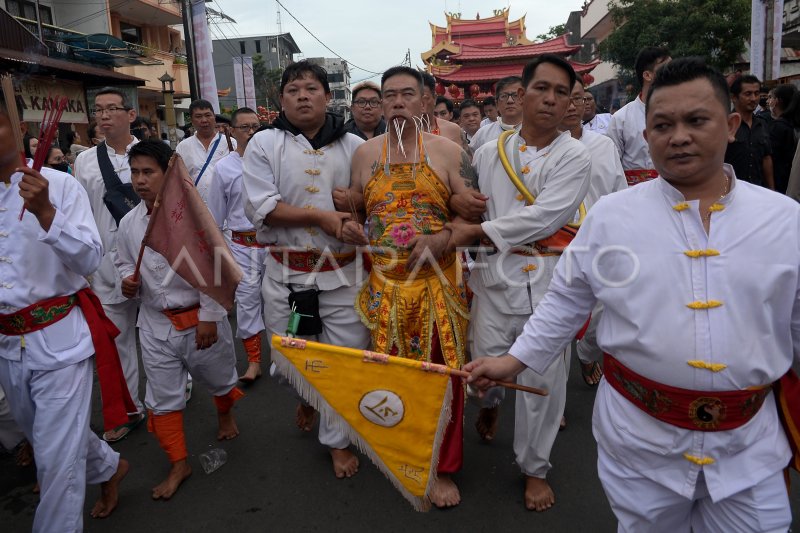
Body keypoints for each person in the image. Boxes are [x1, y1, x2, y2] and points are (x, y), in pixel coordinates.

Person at [466, 57, 798, 532]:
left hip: (750, 447)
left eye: (696, 120)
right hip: (639, 440)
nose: (678, 136)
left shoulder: (786, 221)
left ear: (729, 127)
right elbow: (566, 302)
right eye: (663, 124)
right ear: (647, 137)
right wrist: (512, 362)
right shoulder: (612, 217)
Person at [448, 54, 590, 512]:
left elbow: (547, 215)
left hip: (548, 285)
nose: (550, 99)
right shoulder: (490, 152)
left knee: (544, 386)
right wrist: (464, 208)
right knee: (483, 370)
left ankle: (534, 469)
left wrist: (478, 231)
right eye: (541, 88)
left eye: (561, 92)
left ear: (571, 101)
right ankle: (489, 405)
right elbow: (469, 203)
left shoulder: (575, 155)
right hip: (492, 281)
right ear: (520, 93)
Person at [343, 65, 474, 508]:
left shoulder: (449, 152)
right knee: (392, 377)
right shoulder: (364, 155)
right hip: (385, 290)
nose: (397, 102)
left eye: (406, 94)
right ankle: (401, 453)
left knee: (441, 379)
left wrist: (441, 238)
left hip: (439, 287)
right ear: (380, 105)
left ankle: (440, 465)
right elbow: (356, 211)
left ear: (423, 102)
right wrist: (348, 225)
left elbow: (474, 219)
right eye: (389, 96)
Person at [0, 93, 128, 532]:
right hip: (7, 346)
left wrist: (45, 211)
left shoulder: (60, 184)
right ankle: (109, 467)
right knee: (45, 437)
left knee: (53, 462)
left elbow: (91, 258)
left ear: (16, 128)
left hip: (60, 342)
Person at [242, 59, 368, 479]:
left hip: (343, 276)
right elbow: (264, 208)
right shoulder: (263, 144)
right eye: (293, 90)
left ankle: (337, 441)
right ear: (281, 99)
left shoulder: (355, 147)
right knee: (288, 360)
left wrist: (354, 203)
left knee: (343, 358)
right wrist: (321, 217)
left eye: (311, 88)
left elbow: (375, 202)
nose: (302, 96)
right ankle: (309, 395)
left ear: (327, 96)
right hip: (289, 280)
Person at [116, 140, 243, 500]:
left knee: (218, 379)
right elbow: (123, 260)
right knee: (164, 396)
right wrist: (128, 280)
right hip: (154, 324)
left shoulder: (194, 217)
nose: (140, 180)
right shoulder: (128, 223)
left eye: (148, 172)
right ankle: (178, 463)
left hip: (200, 322)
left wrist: (209, 316)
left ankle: (224, 415)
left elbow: (212, 267)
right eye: (135, 172)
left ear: (168, 174)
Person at [73, 87, 146, 443]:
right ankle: (130, 409)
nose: (103, 116)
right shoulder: (85, 162)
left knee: (162, 332)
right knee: (118, 341)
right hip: (104, 264)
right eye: (98, 110)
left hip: (151, 258)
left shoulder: (154, 155)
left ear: (130, 114)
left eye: (112, 109)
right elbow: (80, 214)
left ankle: (178, 388)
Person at [560, 80, 627, 387]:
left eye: (579, 99)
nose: (573, 105)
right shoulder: (532, 150)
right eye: (566, 98)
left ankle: (587, 355)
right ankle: (550, 397)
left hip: (600, 244)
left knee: (600, 319)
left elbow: (619, 193)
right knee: (554, 320)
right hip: (554, 246)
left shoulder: (603, 145)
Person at [207, 107, 267, 383]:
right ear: (231, 131)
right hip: (242, 246)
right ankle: (254, 361)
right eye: (245, 127)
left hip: (275, 243)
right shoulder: (223, 168)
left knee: (286, 300)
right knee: (247, 302)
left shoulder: (273, 160)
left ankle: (288, 357)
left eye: (255, 125)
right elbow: (216, 218)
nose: (251, 131)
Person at [607, 47, 671, 186]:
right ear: (647, 75)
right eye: (666, 68)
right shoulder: (621, 119)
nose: (673, 72)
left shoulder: (681, 112)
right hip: (634, 195)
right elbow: (611, 166)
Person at [176, 99, 234, 202]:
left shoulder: (231, 143)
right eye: (198, 116)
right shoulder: (182, 147)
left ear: (214, 117)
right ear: (192, 120)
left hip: (227, 205)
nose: (204, 120)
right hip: (196, 207)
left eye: (208, 115)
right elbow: (178, 178)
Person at [724, 75, 774, 189]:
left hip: (758, 190)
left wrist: (771, 189)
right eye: (748, 94)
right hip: (731, 191)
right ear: (734, 97)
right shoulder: (724, 124)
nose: (753, 98)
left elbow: (766, 158)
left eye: (757, 94)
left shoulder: (762, 124)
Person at [470, 76, 524, 150]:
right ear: (497, 104)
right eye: (504, 96)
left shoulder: (538, 132)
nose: (510, 101)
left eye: (515, 95)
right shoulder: (483, 133)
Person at [421, 73, 469, 150]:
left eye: (425, 98)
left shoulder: (453, 130)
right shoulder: (399, 133)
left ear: (434, 99)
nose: (420, 103)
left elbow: (466, 160)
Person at [766, 84, 797, 194]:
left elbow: (771, 159)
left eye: (771, 98)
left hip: (779, 184)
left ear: (777, 101)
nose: (768, 102)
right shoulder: (792, 124)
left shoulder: (778, 127)